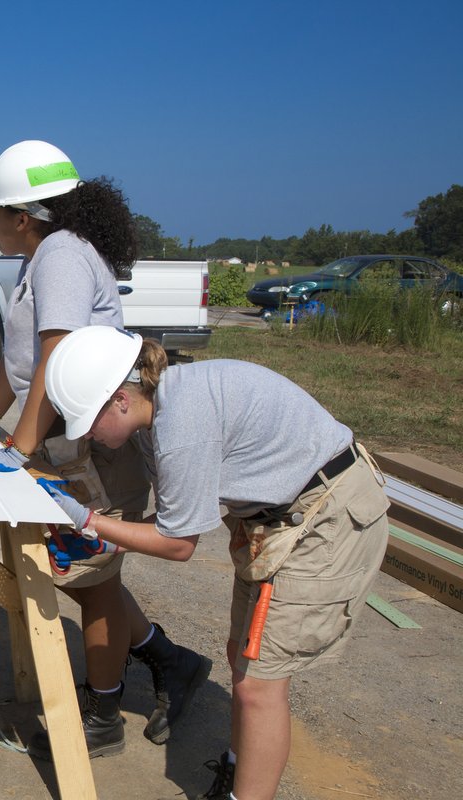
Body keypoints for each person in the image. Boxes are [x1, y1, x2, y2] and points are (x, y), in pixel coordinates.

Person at [0, 140, 208, 757]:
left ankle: (102, 716)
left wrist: (19, 446)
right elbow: (22, 356)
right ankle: (169, 660)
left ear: (22, 216)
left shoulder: (58, 256)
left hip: (96, 448)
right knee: (86, 577)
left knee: (92, 579)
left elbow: (57, 353)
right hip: (66, 441)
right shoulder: (41, 257)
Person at [40, 325, 390, 800]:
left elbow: (178, 543)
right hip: (278, 517)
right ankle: (237, 767)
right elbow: (178, 515)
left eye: (88, 422)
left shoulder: (179, 424)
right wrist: (104, 536)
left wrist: (91, 523)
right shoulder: (160, 408)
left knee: (259, 685)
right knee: (243, 660)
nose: (90, 436)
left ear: (121, 399)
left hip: (323, 518)